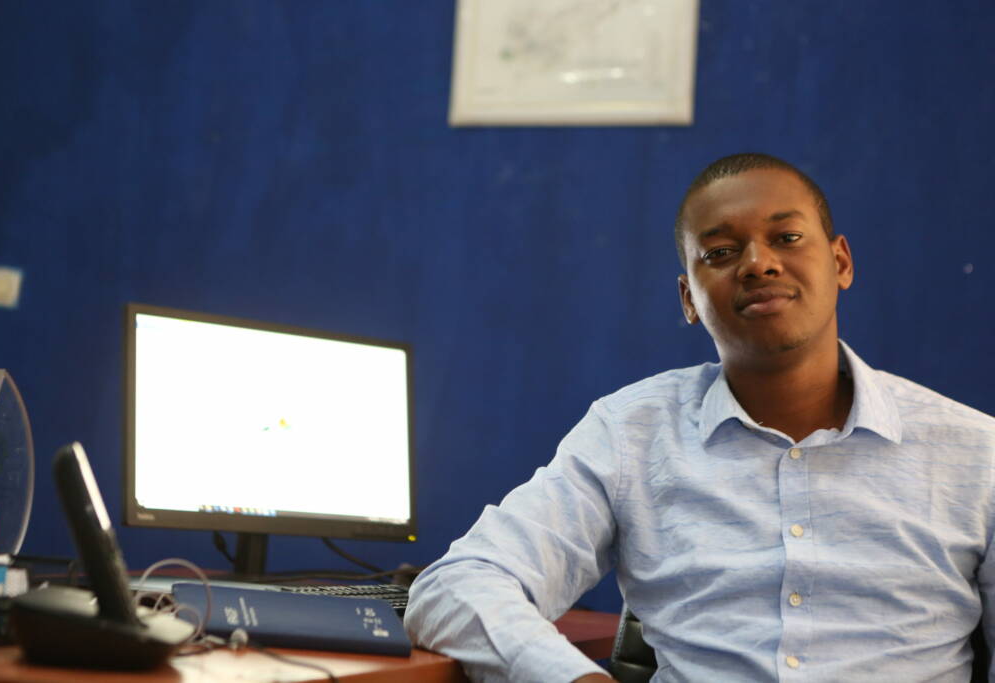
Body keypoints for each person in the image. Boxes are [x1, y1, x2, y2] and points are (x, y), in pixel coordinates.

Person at [404, 153, 995, 682]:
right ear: (689, 298)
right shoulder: (631, 433)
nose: (758, 263)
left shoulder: (976, 452)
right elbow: (457, 585)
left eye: (787, 237)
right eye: (721, 253)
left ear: (840, 261)